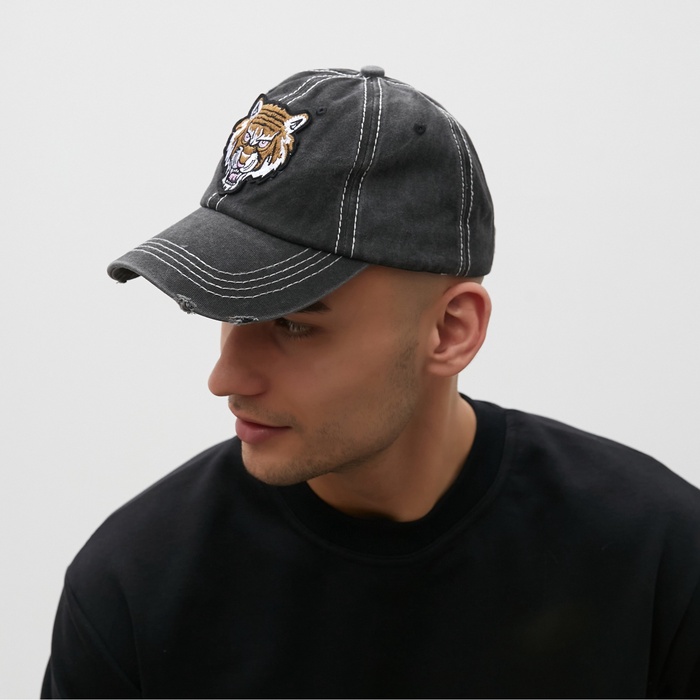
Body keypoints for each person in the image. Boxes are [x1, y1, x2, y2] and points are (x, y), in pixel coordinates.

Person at [42, 66, 700, 699]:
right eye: (231, 314)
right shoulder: (134, 586)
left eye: (294, 325)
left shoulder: (660, 559)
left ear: (450, 331)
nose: (224, 378)